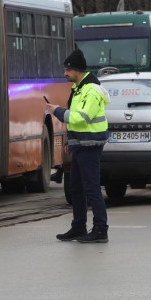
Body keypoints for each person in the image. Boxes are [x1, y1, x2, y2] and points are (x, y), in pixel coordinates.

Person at [45, 49, 110, 244]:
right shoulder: (79, 89)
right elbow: (75, 120)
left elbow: (81, 118)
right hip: (80, 144)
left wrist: (57, 111)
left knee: (91, 189)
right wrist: (68, 140)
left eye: (68, 69)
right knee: (76, 188)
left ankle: (100, 229)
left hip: (90, 144)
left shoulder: (91, 90)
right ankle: (79, 226)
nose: (65, 73)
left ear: (77, 70)